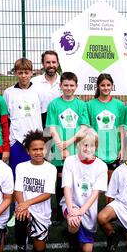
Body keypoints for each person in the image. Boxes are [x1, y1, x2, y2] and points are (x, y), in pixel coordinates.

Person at [46, 71, 90, 226]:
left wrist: (68, 143)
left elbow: (83, 129)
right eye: (66, 85)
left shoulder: (81, 105)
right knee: (60, 180)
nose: (69, 88)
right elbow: (52, 128)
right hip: (59, 150)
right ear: (60, 86)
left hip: (76, 149)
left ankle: (77, 207)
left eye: (72, 85)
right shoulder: (54, 104)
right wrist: (60, 146)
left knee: (76, 179)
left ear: (76, 87)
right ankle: (59, 210)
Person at [3, 58, 43, 227]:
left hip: (35, 141)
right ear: (15, 73)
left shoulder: (39, 91)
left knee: (34, 178)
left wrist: (43, 140)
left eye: (26, 72)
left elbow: (44, 116)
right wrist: (9, 142)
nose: (23, 75)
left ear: (31, 73)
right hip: (17, 142)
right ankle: (16, 210)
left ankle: (35, 211)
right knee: (16, 177)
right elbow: (6, 119)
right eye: (20, 72)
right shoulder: (8, 92)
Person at [59, 127, 108, 252]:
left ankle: (73, 232)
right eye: (85, 145)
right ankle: (72, 250)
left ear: (96, 147)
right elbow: (67, 188)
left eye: (92, 145)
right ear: (78, 145)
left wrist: (82, 211)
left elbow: (94, 194)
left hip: (87, 207)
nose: (88, 149)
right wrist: (72, 210)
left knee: (87, 250)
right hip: (71, 203)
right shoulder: (70, 161)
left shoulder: (101, 166)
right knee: (74, 221)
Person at [13, 130, 57, 252]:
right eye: (34, 149)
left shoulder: (51, 169)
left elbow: (47, 194)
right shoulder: (21, 167)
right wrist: (22, 205)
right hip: (25, 209)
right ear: (28, 150)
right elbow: (18, 190)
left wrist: (27, 203)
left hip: (41, 213)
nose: (38, 152)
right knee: (21, 216)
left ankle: (34, 231)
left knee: (39, 248)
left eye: (41, 149)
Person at [86, 73, 126, 199]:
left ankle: (108, 210)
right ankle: (92, 212)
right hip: (97, 151)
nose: (106, 88)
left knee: (111, 185)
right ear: (98, 86)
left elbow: (122, 128)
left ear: (112, 86)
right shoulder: (90, 105)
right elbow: (88, 129)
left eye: (108, 85)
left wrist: (122, 148)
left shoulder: (119, 105)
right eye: (103, 85)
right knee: (94, 185)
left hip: (114, 151)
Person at [31, 50, 62, 127]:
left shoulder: (65, 83)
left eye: (54, 62)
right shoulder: (34, 82)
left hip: (60, 123)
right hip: (40, 123)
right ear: (43, 64)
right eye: (48, 62)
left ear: (58, 64)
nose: (51, 65)